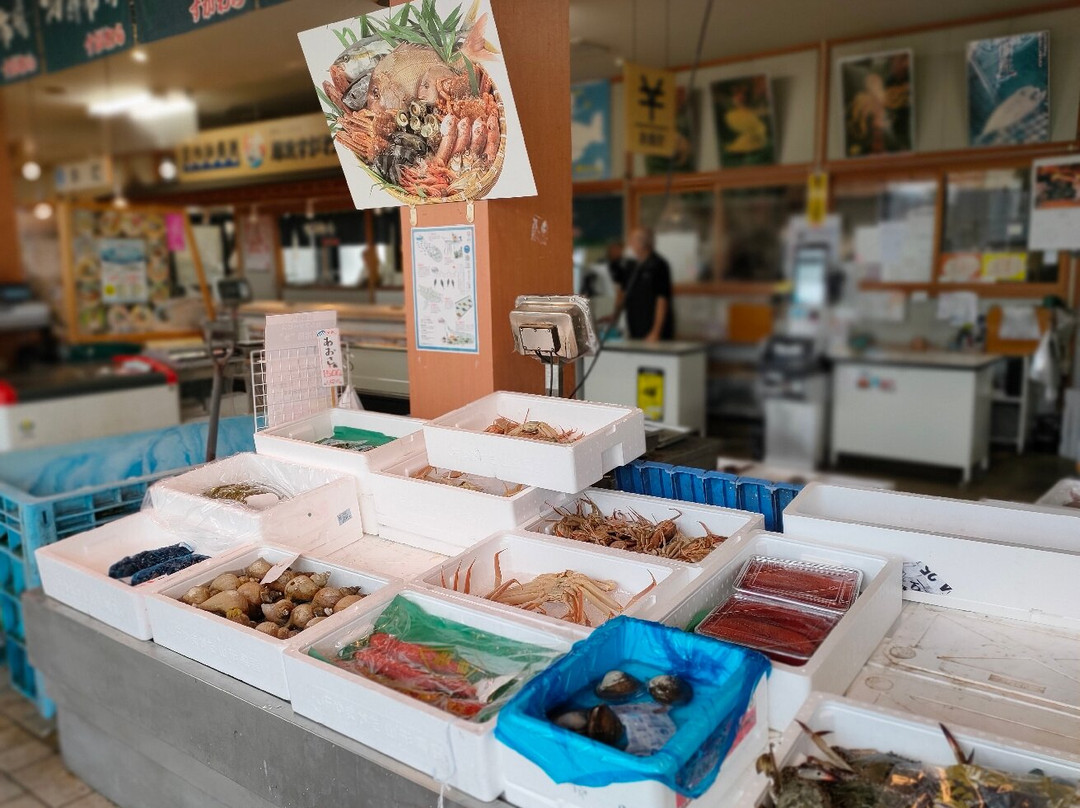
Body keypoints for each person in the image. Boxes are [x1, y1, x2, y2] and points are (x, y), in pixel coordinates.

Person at [608, 227, 675, 342]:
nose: (629, 244)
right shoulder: (631, 266)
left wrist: (655, 332)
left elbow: (662, 300)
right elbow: (623, 294)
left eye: (633, 240)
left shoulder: (659, 265)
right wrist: (614, 317)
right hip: (635, 325)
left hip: (653, 326)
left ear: (643, 243)